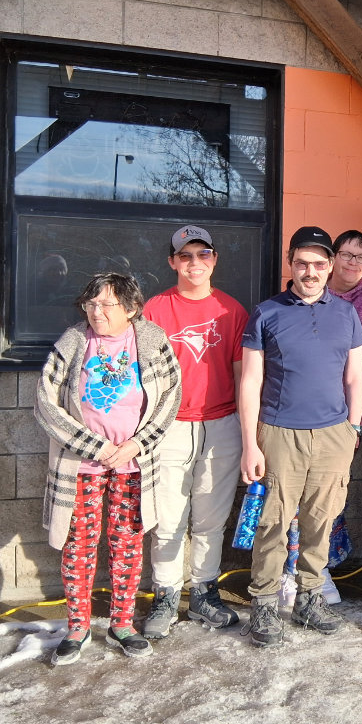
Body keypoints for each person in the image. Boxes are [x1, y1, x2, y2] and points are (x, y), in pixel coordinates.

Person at [34, 272, 181, 666]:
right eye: (91, 304)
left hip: (133, 463)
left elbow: (170, 397)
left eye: (106, 304)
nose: (96, 312)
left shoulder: (151, 341)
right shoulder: (73, 342)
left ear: (131, 308)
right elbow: (46, 403)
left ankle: (122, 624)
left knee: (126, 544)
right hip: (81, 464)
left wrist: (136, 444)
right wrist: (96, 447)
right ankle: (77, 627)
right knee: (78, 544)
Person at [239, 226, 362, 647]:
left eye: (318, 264)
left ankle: (310, 598)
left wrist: (353, 427)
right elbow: (250, 380)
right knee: (273, 522)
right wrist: (250, 443)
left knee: (321, 519)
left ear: (330, 266)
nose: (310, 272)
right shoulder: (266, 313)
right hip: (279, 432)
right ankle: (264, 602)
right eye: (302, 263)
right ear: (290, 264)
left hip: (333, 434)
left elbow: (355, 376)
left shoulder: (346, 313)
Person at [140, 225, 248, 638]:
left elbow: (243, 377)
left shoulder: (231, 311)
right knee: (168, 520)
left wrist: (248, 433)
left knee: (210, 519)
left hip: (222, 424)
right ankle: (165, 596)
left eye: (203, 254)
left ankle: (204, 594)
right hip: (169, 427)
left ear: (214, 259)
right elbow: (142, 375)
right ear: (173, 262)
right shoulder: (154, 309)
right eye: (185, 255)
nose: (194, 262)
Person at [280, 229, 362, 606]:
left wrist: (355, 423)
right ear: (332, 259)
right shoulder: (298, 298)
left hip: (338, 418)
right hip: (293, 415)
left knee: (327, 498)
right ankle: (287, 571)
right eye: (346, 255)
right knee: (290, 497)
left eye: (361, 257)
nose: (352, 263)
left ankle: (318, 570)